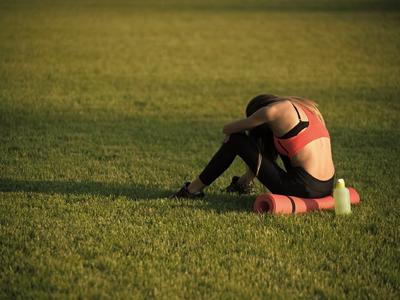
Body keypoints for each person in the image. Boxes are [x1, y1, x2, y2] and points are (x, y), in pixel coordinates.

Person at [171, 94, 335, 199]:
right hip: (327, 187)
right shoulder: (307, 108)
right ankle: (243, 184)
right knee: (280, 145)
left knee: (235, 139)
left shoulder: (272, 112)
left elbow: (228, 128)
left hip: (303, 189)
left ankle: (192, 190)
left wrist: (250, 125)